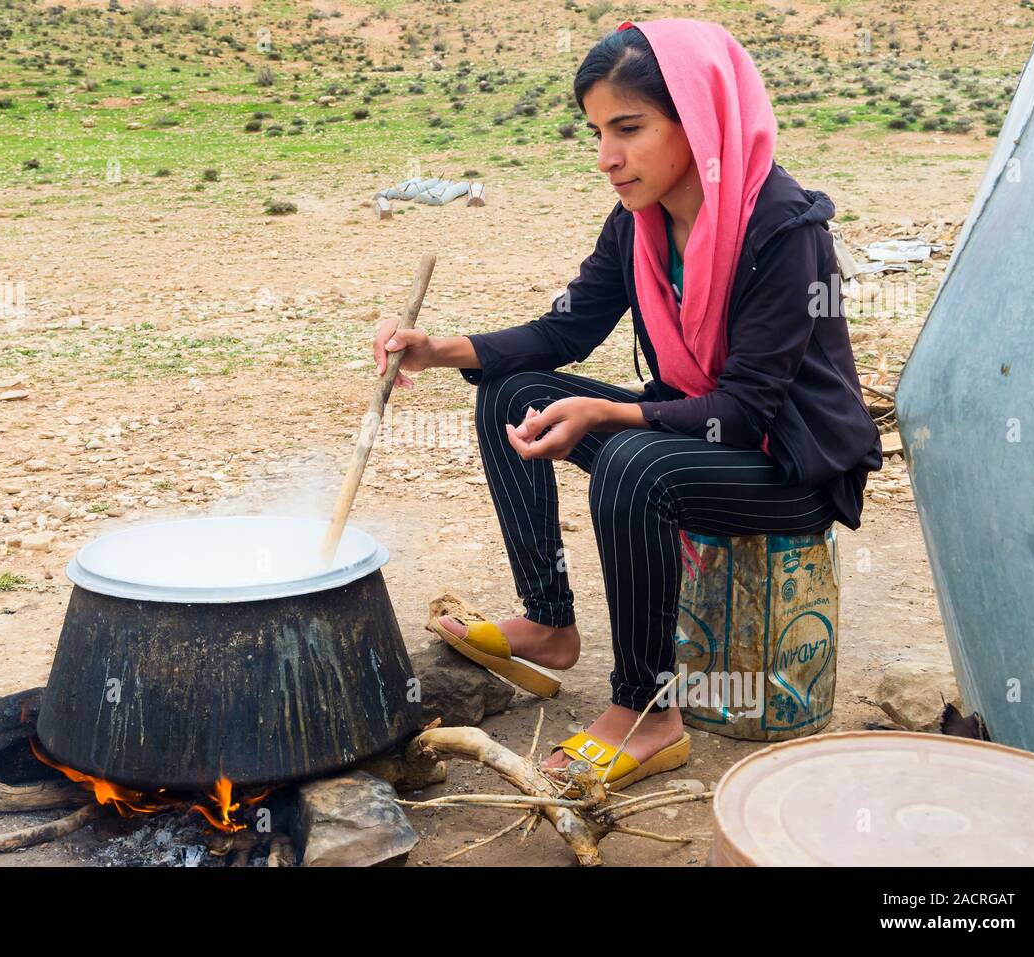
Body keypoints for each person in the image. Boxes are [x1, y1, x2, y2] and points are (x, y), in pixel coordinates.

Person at [371, 19, 882, 789]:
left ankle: (648, 711)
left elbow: (745, 408)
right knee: (515, 391)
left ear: (699, 119)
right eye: (597, 132)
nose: (608, 157)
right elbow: (564, 329)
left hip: (790, 465)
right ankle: (547, 624)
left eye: (629, 128)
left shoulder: (783, 227)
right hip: (699, 436)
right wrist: (438, 348)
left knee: (634, 462)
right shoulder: (638, 224)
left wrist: (613, 414)